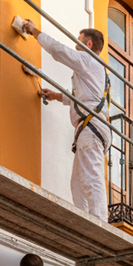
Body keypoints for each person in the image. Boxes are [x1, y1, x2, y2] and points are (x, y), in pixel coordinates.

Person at [23, 20, 111, 222]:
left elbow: (57, 50)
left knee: (90, 178)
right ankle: (88, 221)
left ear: (88, 45)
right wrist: (57, 96)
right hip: (92, 127)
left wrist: (34, 30)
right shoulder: (96, 70)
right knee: (78, 182)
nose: (75, 46)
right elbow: (87, 98)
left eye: (78, 42)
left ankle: (99, 223)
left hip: (91, 129)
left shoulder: (88, 60)